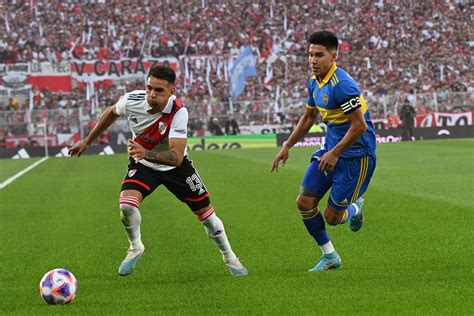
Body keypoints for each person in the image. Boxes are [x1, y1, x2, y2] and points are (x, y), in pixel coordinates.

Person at [69, 65, 248, 277]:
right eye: (149, 88)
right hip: (143, 164)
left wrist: (147, 152)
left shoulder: (178, 112)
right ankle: (136, 247)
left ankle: (230, 258)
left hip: (175, 168)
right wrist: (87, 141)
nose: (152, 95)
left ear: (172, 90)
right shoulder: (133, 100)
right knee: (126, 205)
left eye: (159, 90)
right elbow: (111, 112)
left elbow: (176, 157)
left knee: (207, 217)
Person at [271, 31, 376, 272]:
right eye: (310, 55)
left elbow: (359, 126)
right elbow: (309, 117)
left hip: (356, 155)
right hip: (331, 149)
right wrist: (287, 145)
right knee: (304, 202)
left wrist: (335, 153)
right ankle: (329, 256)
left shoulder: (344, 86)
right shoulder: (314, 82)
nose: (313, 60)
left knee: (332, 218)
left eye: (319, 55)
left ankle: (356, 207)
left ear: (333, 56)